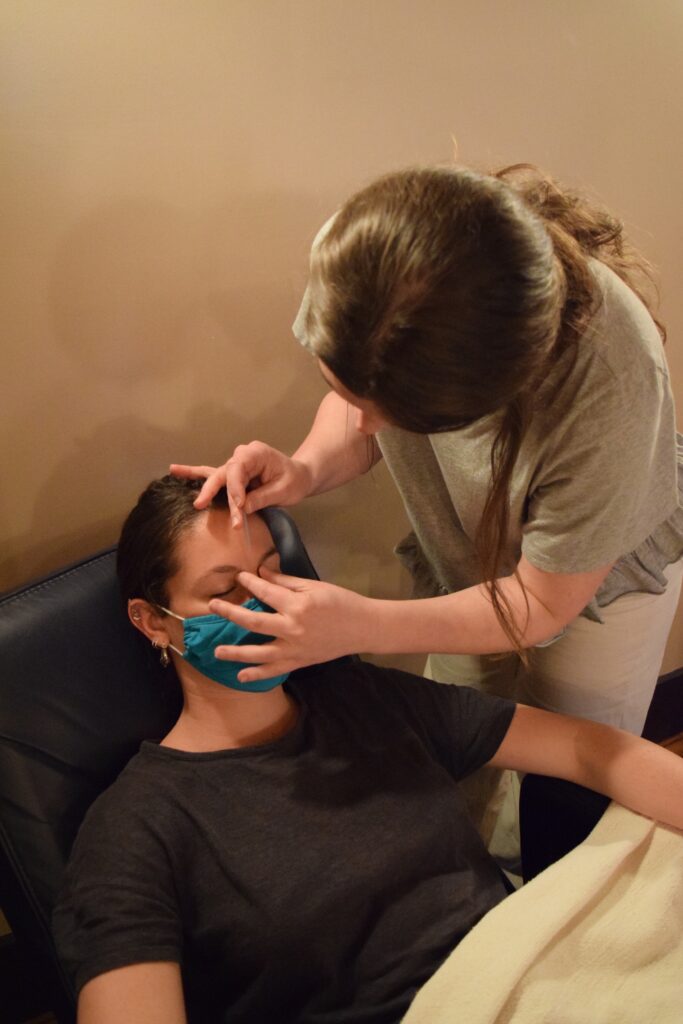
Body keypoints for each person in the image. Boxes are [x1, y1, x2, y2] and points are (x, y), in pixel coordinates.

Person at [52, 474, 683, 1024]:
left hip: (532, 970)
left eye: (272, 570)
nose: (267, 602)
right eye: (228, 590)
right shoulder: (137, 828)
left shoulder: (361, 698)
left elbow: (585, 750)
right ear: (154, 621)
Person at [172, 164, 683, 744]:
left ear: (496, 395)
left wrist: (361, 625)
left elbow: (542, 603)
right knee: (458, 734)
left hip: (594, 582)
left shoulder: (610, 385)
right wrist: (306, 468)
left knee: (572, 764)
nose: (364, 425)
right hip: (467, 552)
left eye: (396, 415)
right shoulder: (364, 260)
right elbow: (362, 404)